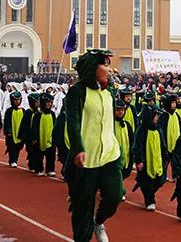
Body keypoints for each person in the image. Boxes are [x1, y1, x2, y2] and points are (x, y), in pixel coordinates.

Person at [63, 50, 123, 242]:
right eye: (104, 65)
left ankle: (99, 222)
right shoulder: (77, 91)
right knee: (82, 208)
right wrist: (78, 148)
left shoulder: (109, 92)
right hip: (85, 159)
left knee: (115, 195)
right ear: (93, 68)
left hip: (109, 155)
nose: (109, 69)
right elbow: (72, 123)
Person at [133, 104, 168, 211]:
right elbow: (137, 146)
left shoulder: (158, 130)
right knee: (147, 181)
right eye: (155, 115)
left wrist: (165, 156)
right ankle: (150, 200)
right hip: (146, 161)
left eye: (158, 116)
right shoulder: (141, 131)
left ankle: (148, 191)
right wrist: (139, 160)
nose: (157, 118)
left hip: (157, 161)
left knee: (159, 180)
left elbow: (162, 144)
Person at [31, 93, 57, 177]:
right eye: (47, 102)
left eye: (50, 102)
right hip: (40, 138)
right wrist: (34, 137)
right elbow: (34, 127)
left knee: (51, 155)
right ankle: (39, 169)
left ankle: (50, 169)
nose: (49, 104)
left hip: (50, 138)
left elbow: (55, 125)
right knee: (38, 155)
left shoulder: (52, 114)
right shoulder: (37, 115)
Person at [113, 99, 135, 181]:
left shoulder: (127, 125)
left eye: (122, 110)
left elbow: (131, 141)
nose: (120, 112)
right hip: (113, 158)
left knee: (123, 175)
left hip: (126, 157)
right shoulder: (110, 124)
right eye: (118, 110)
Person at [3, 91, 25, 168]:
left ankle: (15, 159)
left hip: (20, 132)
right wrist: (7, 131)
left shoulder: (22, 110)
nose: (17, 101)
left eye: (18, 100)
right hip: (11, 132)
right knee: (11, 146)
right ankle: (12, 160)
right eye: (15, 100)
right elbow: (6, 121)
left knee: (18, 146)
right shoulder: (9, 111)